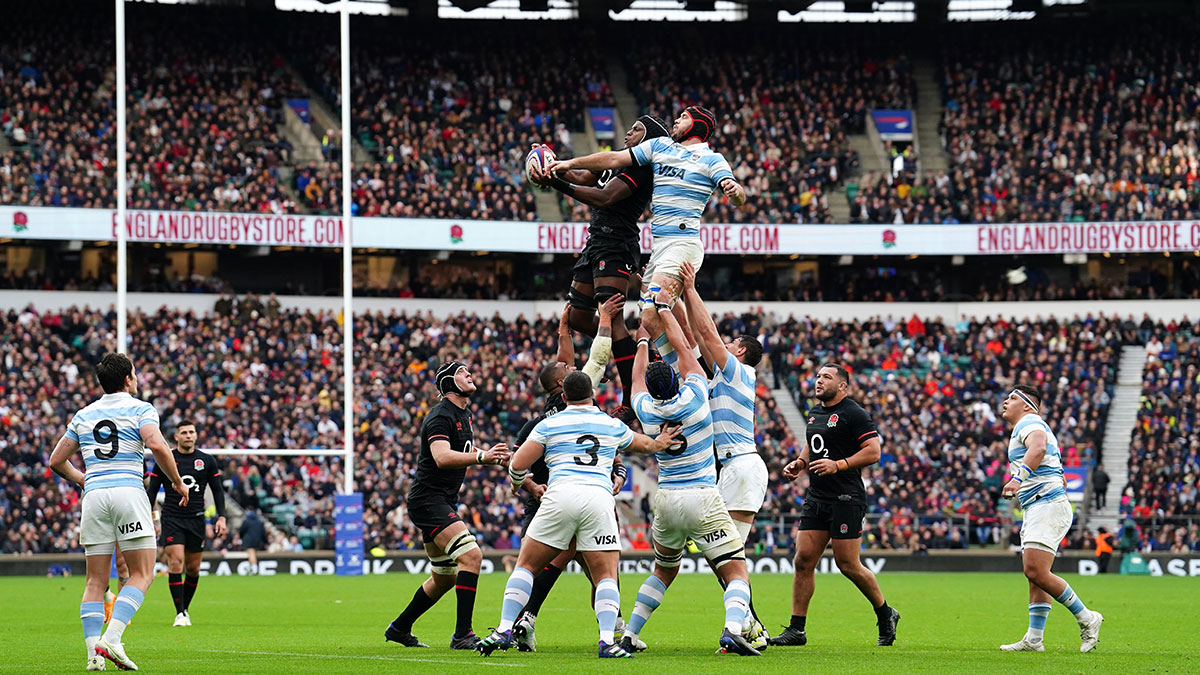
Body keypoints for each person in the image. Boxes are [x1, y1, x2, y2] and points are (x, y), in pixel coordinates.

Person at [477, 371, 680, 659]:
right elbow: (646, 445)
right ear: (593, 395)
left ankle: (504, 628)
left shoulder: (549, 424)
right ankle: (607, 641)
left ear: (563, 397)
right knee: (605, 575)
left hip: (559, 496)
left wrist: (516, 482)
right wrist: (662, 440)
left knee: (526, 566)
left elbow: (518, 463)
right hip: (598, 498)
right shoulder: (609, 424)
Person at [620, 305, 760, 656]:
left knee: (663, 571)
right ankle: (733, 630)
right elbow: (685, 349)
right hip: (701, 494)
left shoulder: (646, 410)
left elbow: (635, 380)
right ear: (676, 380)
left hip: (666, 499)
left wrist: (642, 341)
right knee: (736, 571)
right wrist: (666, 310)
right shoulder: (696, 398)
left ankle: (630, 633)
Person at [48, 352, 189, 672]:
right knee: (143, 573)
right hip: (127, 491)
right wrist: (177, 482)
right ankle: (112, 637)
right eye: (135, 374)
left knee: (95, 581)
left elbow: (56, 460)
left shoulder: (84, 414)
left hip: (94, 496)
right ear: (128, 379)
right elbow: (156, 445)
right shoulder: (141, 409)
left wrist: (83, 479)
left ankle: (93, 656)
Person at [510, 298, 634, 652]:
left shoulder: (551, 410)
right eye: (568, 367)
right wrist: (605, 319)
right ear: (564, 382)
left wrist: (564, 327)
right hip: (574, 491)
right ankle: (608, 631)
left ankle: (613, 627)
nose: (573, 366)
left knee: (570, 563)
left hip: (553, 493)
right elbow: (598, 356)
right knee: (597, 564)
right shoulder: (577, 393)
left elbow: (563, 361)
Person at [545, 106, 747, 313]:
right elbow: (612, 159)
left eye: (683, 117)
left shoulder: (712, 159)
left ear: (698, 125)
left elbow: (738, 196)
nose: (676, 120)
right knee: (647, 319)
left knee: (653, 309)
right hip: (657, 245)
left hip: (680, 242)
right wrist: (565, 163)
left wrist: (734, 191)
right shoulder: (660, 146)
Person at [531, 116, 669, 407]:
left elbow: (605, 197)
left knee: (613, 318)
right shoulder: (616, 160)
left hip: (617, 244)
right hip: (595, 243)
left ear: (648, 139)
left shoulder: (641, 167)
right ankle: (626, 349)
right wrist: (552, 165)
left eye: (637, 129)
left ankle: (631, 398)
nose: (629, 131)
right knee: (578, 317)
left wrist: (555, 183)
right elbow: (584, 178)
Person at [385, 361, 510, 650]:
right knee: (472, 557)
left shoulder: (463, 414)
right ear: (450, 383)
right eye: (462, 372)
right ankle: (462, 635)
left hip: (439, 500)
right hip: (429, 501)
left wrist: (492, 456)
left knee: (444, 578)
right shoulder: (440, 416)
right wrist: (481, 458)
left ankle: (399, 628)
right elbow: (441, 456)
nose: (470, 373)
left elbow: (463, 450)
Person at [774, 363, 900, 648]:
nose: (819, 381)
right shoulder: (815, 412)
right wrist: (801, 462)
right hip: (817, 496)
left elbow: (873, 452)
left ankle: (885, 613)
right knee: (803, 560)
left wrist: (839, 464)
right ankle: (797, 629)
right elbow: (813, 442)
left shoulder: (854, 413)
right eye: (818, 376)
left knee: (847, 564)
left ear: (842, 385)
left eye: (826, 377)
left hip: (846, 498)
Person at [677, 260, 769, 647]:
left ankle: (748, 629)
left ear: (741, 351)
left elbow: (706, 333)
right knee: (722, 556)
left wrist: (690, 288)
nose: (724, 345)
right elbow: (693, 337)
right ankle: (750, 627)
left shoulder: (738, 372)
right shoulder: (721, 376)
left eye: (731, 344)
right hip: (731, 467)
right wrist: (674, 302)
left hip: (742, 465)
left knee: (727, 555)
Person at [997, 385, 1103, 653]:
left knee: (1035, 570)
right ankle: (1034, 639)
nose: (1005, 401)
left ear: (1027, 405)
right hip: (1041, 504)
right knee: (1037, 576)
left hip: (1046, 504)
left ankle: (1087, 617)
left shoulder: (1029, 422)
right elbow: (1050, 458)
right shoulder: (1031, 425)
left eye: (1012, 398)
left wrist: (1017, 479)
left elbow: (1039, 447)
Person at [146, 420, 227, 626]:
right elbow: (152, 490)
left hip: (197, 519)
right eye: (184, 432)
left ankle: (184, 609)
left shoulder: (207, 460)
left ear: (196, 435)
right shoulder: (166, 459)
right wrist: (150, 518)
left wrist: (222, 517)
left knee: (193, 569)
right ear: (176, 437)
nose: (188, 435)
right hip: (172, 518)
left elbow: (218, 490)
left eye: (191, 432)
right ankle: (180, 613)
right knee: (176, 562)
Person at [239, 507, 267, 572]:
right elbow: (263, 533)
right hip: (257, 540)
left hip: (249, 540)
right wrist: (265, 541)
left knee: (251, 553)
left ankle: (254, 568)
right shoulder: (259, 521)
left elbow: (241, 531)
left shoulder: (246, 521)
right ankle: (253, 567)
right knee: (254, 553)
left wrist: (242, 538)